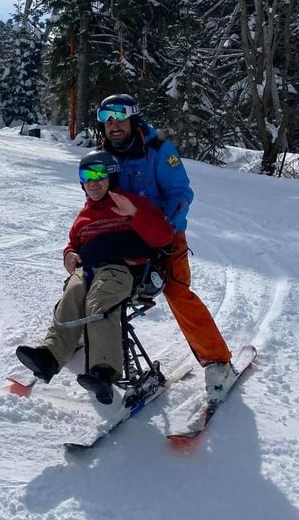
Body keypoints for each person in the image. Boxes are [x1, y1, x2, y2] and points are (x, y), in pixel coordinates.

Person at [95, 93, 235, 402]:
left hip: (165, 237)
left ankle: (218, 362)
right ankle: (86, 343)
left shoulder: (158, 150)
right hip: (124, 237)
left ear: (133, 117)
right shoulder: (103, 156)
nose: (113, 124)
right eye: (106, 119)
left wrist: (166, 233)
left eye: (119, 117)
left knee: (177, 292)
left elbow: (181, 194)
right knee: (98, 279)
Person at [16, 151, 174, 404]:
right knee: (72, 295)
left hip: (121, 270)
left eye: (100, 174)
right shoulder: (84, 217)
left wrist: (133, 213)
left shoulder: (130, 203)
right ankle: (50, 356)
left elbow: (163, 237)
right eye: (86, 175)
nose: (93, 181)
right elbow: (73, 245)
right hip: (87, 270)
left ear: (111, 176)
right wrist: (69, 254)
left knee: (99, 302)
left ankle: (103, 370)